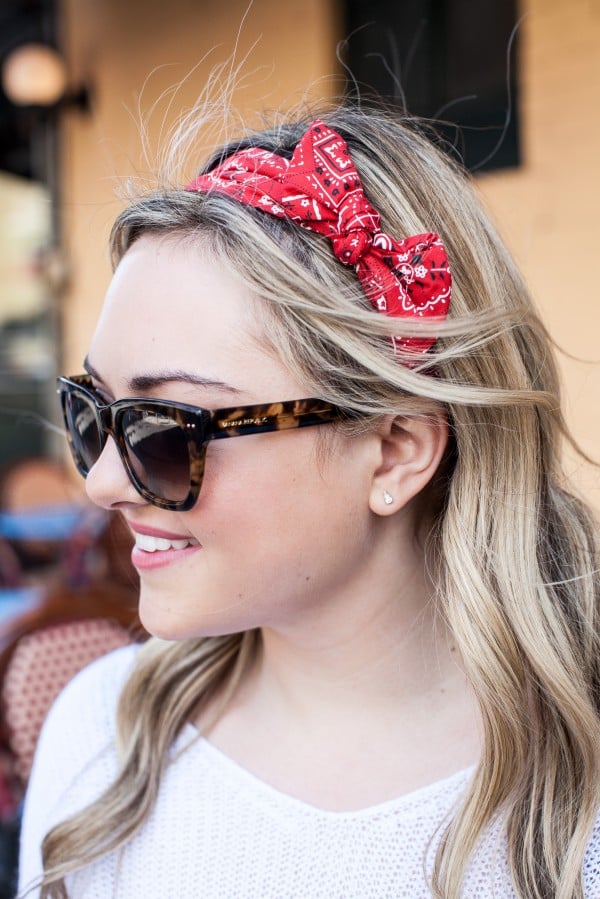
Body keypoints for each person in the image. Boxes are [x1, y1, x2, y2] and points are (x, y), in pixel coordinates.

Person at [17, 105, 600, 898]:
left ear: (395, 449)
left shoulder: (572, 817)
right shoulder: (97, 738)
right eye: (92, 413)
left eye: (164, 429)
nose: (102, 482)